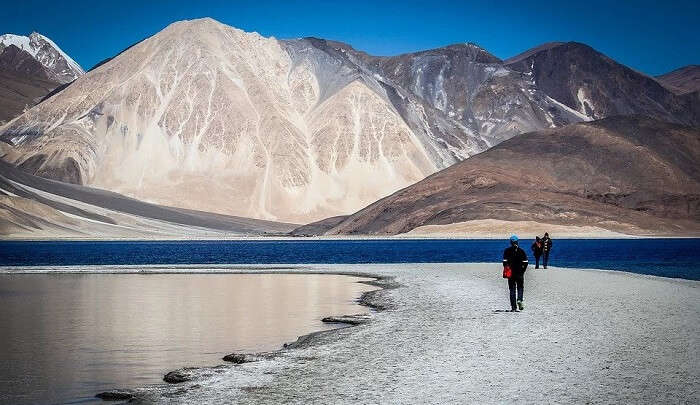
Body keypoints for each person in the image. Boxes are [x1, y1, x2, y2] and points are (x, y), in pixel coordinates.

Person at [502, 235, 529, 311]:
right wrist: (523, 271)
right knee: (520, 288)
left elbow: (504, 262)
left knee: (512, 289)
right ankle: (519, 299)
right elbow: (526, 262)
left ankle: (513, 307)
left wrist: (507, 269)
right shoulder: (521, 251)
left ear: (510, 242)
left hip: (510, 274)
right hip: (520, 273)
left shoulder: (507, 251)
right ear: (517, 242)